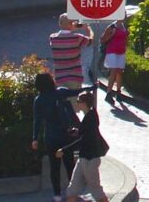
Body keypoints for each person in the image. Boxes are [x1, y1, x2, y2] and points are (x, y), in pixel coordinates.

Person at [32, 72, 95, 202]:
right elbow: (76, 92)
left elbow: (37, 121)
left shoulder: (38, 100)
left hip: (50, 137)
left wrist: (35, 138)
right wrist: (91, 88)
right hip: (65, 136)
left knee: (54, 167)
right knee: (69, 165)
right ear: (50, 81)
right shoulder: (59, 92)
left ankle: (57, 195)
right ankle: (73, 193)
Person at [59, 92, 110, 202]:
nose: (77, 104)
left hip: (90, 159)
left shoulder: (91, 118)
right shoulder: (89, 116)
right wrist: (78, 131)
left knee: (96, 190)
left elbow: (83, 138)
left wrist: (64, 150)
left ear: (84, 103)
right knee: (73, 189)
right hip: (84, 158)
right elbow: (84, 133)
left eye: (78, 102)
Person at [49, 14, 94, 90]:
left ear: (59, 24)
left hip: (59, 78)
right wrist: (88, 29)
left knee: (62, 101)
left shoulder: (53, 38)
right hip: (74, 77)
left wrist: (70, 27)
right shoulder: (77, 37)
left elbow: (65, 32)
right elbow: (90, 41)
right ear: (72, 24)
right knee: (72, 101)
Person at [100, 20, 129, 105]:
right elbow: (102, 40)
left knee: (119, 72)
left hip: (121, 52)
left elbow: (126, 39)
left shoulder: (124, 26)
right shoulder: (112, 26)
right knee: (113, 71)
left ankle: (118, 92)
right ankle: (109, 93)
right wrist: (111, 35)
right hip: (112, 52)